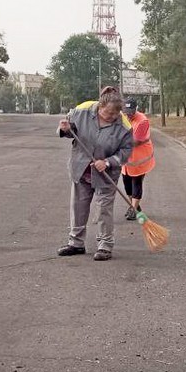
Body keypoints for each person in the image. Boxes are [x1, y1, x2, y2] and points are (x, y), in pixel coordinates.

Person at [57, 90, 133, 261]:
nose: (111, 117)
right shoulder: (82, 111)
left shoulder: (124, 126)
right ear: (100, 105)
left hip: (106, 175)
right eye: (107, 112)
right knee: (78, 207)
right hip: (81, 168)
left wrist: (107, 162)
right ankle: (76, 243)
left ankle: (105, 245)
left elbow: (126, 151)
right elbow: (71, 130)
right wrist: (66, 129)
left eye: (115, 114)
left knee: (103, 210)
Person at [120, 98, 155, 221]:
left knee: (136, 184)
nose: (128, 114)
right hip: (127, 160)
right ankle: (134, 206)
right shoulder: (121, 117)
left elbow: (134, 142)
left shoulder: (142, 121)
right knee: (127, 185)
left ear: (136, 109)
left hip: (140, 159)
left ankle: (133, 209)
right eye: (126, 111)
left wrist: (116, 141)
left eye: (131, 111)